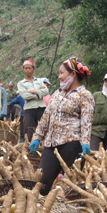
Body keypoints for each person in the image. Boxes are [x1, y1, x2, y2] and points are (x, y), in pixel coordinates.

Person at [30, 57, 93, 195]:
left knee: (70, 187)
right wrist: (37, 137)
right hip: (51, 144)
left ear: (73, 74)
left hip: (72, 144)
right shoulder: (57, 93)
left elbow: (86, 122)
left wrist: (85, 143)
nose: (59, 76)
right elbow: (46, 116)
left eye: (61, 72)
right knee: (41, 184)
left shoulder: (84, 95)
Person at [18, 59, 49, 141]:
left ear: (33, 69)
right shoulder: (21, 83)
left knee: (43, 128)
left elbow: (46, 91)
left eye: (29, 68)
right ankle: (29, 147)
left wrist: (34, 92)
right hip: (29, 109)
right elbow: (25, 96)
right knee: (29, 130)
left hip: (41, 108)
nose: (27, 70)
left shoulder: (39, 81)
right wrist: (39, 94)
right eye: (25, 68)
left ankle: (43, 146)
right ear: (23, 69)